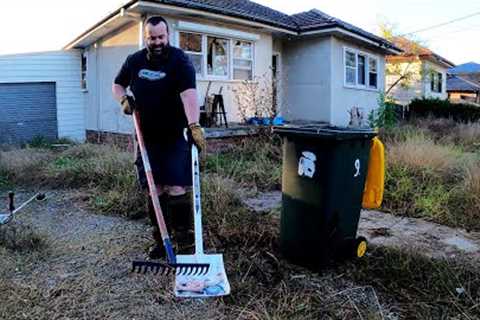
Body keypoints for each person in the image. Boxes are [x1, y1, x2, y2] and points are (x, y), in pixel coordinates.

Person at [112, 15, 206, 259]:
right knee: (155, 189)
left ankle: (184, 240)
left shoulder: (179, 60)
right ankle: (161, 240)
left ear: (168, 35)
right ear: (146, 37)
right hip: (146, 137)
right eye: (152, 38)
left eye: (161, 37)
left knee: (176, 187)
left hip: (174, 135)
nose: (156, 42)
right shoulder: (134, 61)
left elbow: (189, 95)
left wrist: (194, 124)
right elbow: (117, 85)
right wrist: (123, 99)